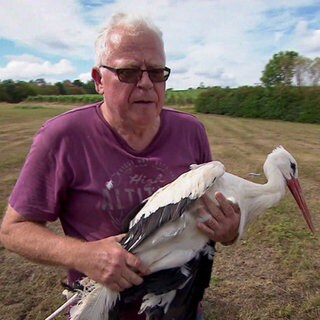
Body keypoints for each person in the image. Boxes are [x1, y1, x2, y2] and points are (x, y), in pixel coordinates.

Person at [0, 12, 240, 319]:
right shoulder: (62, 137)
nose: (145, 84)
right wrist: (82, 255)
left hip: (181, 308)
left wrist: (229, 231)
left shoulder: (191, 131)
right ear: (99, 80)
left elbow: (211, 221)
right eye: (128, 73)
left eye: (156, 73)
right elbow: (12, 231)